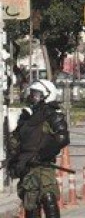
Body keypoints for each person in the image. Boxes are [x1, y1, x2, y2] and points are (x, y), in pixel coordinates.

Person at [6, 79, 69, 218]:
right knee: (31, 202)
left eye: (36, 94)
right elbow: (16, 138)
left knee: (48, 197)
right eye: (32, 94)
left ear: (47, 95)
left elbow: (63, 138)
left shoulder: (53, 114)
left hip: (44, 166)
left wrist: (43, 155)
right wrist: (13, 158)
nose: (33, 97)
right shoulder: (27, 116)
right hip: (27, 166)